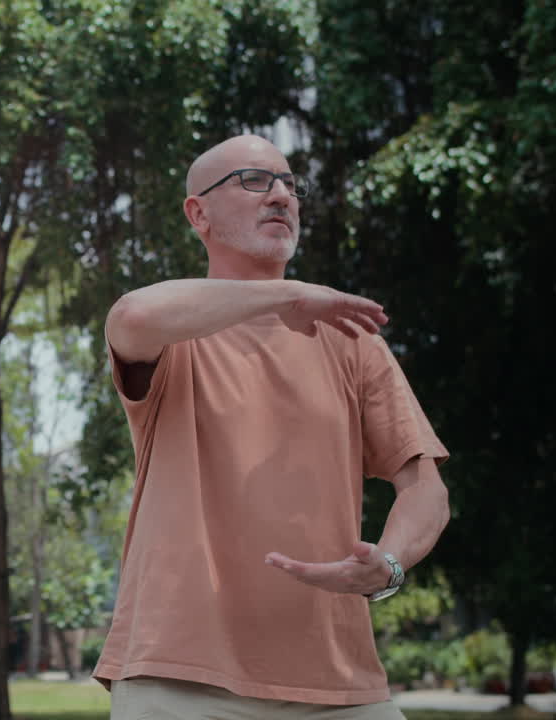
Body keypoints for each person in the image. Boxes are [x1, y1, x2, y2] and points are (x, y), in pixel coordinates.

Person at [93, 134, 450, 719]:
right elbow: (130, 316)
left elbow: (426, 489)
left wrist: (387, 565)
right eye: (255, 180)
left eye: (290, 184)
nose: (282, 194)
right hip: (181, 676)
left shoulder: (352, 340)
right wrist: (284, 294)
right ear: (198, 212)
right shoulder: (176, 333)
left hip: (338, 681)